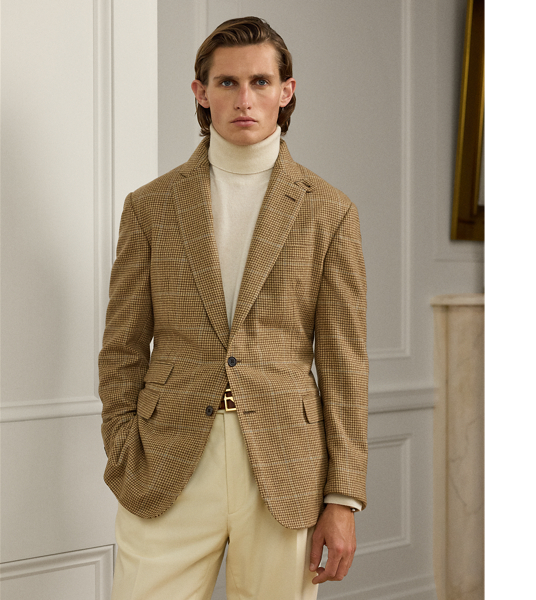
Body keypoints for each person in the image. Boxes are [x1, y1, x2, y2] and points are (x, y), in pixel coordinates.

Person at [99, 16, 368, 600]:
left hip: (285, 465)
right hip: (166, 456)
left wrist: (343, 498)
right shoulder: (149, 207)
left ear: (285, 91)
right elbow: (122, 345)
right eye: (227, 83)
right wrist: (123, 445)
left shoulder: (329, 212)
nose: (245, 99)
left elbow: (345, 364)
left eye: (260, 82)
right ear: (201, 93)